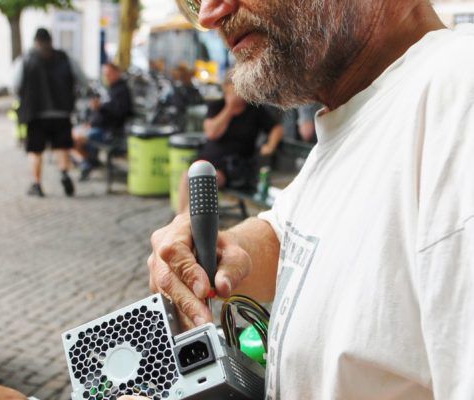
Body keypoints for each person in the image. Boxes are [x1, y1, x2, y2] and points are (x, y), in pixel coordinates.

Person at [143, 0, 474, 399]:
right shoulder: (363, 110)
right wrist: (216, 248)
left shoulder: (457, 101)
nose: (210, 14)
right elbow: (288, 235)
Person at [176, 76, 283, 213]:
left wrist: (270, 145)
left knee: (206, 180)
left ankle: (189, 223)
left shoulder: (254, 110)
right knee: (187, 176)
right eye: (232, 87)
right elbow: (212, 133)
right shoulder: (217, 106)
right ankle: (181, 219)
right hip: (208, 158)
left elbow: (276, 128)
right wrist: (229, 109)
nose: (236, 92)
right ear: (225, 88)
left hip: (233, 165)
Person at [13, 28, 86, 197]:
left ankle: (37, 184)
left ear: (35, 41)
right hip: (61, 112)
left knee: (35, 151)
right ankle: (64, 174)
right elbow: (82, 80)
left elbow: (14, 85)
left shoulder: (25, 59)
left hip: (35, 113)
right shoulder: (65, 58)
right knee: (62, 147)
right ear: (51, 41)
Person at [73, 62, 133, 181]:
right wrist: (91, 121)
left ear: (117, 73)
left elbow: (118, 113)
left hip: (110, 132)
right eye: (105, 74)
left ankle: (88, 162)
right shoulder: (111, 89)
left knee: (74, 138)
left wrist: (100, 107)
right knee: (71, 134)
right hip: (99, 127)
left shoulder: (121, 90)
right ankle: (88, 161)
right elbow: (102, 112)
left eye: (109, 74)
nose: (106, 77)